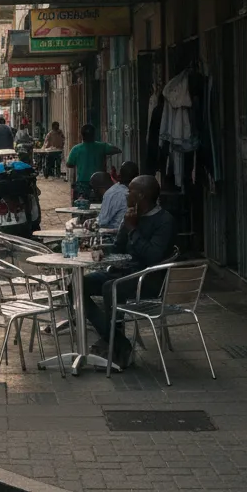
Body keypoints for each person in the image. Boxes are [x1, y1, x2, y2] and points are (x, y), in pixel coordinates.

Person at [80, 175, 176, 368]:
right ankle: (119, 342)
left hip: (149, 280)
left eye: (130, 190)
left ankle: (114, 345)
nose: (126, 194)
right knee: (78, 286)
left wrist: (133, 230)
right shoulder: (132, 215)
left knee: (110, 287)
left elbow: (153, 256)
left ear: (141, 195)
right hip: (125, 274)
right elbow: (118, 250)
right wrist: (103, 250)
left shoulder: (164, 220)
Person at [65, 124, 122, 202]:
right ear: (94, 134)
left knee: (80, 207)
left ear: (81, 135)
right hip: (100, 183)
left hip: (82, 184)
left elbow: (69, 164)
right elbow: (117, 150)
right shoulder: (102, 146)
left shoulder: (76, 149)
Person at [98, 161, 139, 230]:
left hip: (114, 234)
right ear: (137, 176)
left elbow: (102, 221)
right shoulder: (142, 191)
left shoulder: (112, 193)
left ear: (119, 175)